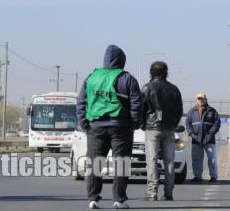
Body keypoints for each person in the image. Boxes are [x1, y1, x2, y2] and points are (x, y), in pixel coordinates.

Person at [77, 45, 142, 209]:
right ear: (122, 60)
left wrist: (85, 124)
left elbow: (81, 103)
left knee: (95, 163)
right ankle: (119, 200)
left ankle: (93, 199)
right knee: (121, 163)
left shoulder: (91, 77)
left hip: (95, 127)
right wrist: (133, 125)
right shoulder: (127, 78)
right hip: (120, 128)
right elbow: (136, 105)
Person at [141, 61, 183, 201]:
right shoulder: (174, 89)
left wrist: (142, 125)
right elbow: (179, 111)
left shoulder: (147, 88)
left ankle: (152, 192)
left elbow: (141, 109)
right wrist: (173, 124)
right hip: (169, 129)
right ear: (166, 72)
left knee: (151, 160)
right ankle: (169, 192)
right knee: (169, 161)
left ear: (151, 72)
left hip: (152, 129)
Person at [186, 93, 221, 183]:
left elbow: (217, 124)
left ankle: (213, 177)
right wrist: (192, 134)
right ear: (196, 100)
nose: (200, 100)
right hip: (196, 140)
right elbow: (188, 124)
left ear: (206, 99)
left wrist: (209, 135)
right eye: (199, 99)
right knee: (196, 159)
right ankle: (197, 177)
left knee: (212, 158)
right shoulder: (191, 112)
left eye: (202, 99)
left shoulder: (212, 111)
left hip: (209, 140)